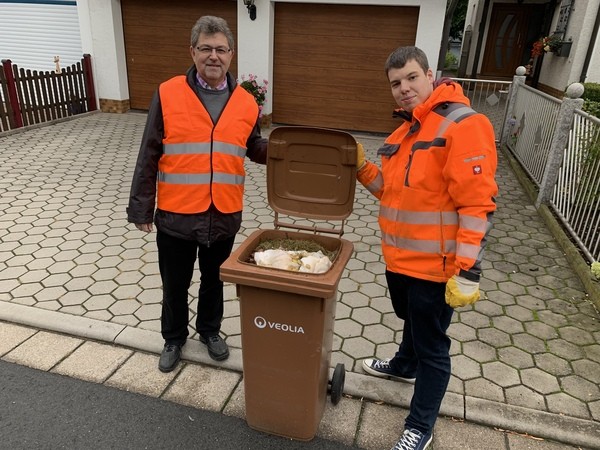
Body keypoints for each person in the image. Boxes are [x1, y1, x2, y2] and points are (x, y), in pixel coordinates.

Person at [355, 46, 498, 450]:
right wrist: (362, 168)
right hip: (399, 260)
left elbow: (477, 205)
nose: (404, 88)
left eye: (411, 78)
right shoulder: (405, 132)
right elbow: (391, 193)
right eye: (395, 83)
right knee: (413, 324)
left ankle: (420, 426)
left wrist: (468, 270)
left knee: (433, 347)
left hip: (436, 267)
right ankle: (404, 364)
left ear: (430, 75)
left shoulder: (463, 125)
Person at [127, 16, 268, 373]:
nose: (213, 56)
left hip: (223, 212)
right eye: (206, 48)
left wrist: (287, 150)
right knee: (175, 283)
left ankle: (209, 330)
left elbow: (253, 145)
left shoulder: (247, 102)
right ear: (192, 52)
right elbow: (149, 151)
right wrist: (141, 207)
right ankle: (174, 338)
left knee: (214, 280)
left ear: (231, 54)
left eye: (221, 49)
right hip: (177, 214)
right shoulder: (168, 92)